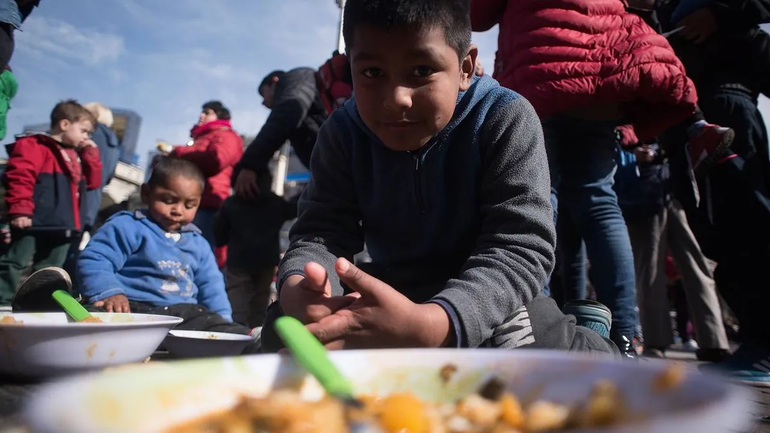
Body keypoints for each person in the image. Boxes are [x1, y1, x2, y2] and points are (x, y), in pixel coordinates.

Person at [259, 0, 618, 355]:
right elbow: (320, 234)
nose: (397, 98)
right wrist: (304, 285)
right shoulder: (341, 133)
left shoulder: (504, 117)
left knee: (530, 343)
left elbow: (520, 246)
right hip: (397, 287)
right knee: (281, 331)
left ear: (465, 67)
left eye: (421, 70)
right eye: (372, 73)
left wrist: (438, 323)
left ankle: (592, 339)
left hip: (485, 292)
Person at [76, 157, 257, 342]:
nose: (178, 210)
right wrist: (109, 291)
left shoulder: (199, 244)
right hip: (134, 309)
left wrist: (222, 319)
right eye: (168, 200)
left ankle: (251, 339)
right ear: (146, 193)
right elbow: (96, 258)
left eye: (189, 205)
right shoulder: (127, 226)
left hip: (183, 315)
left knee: (216, 325)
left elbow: (212, 286)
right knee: (91, 315)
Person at [0, 100, 101, 306]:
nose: (86, 137)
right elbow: (20, 177)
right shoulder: (34, 145)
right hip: (32, 219)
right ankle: (3, 302)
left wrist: (91, 154)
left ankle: (39, 306)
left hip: (63, 223)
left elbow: (93, 182)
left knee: (50, 270)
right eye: (83, 131)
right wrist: (20, 209)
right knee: (15, 262)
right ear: (64, 124)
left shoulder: (77, 156)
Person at [213, 167, 298, 328]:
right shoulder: (274, 203)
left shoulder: (231, 204)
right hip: (266, 262)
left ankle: (236, 331)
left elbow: (219, 235)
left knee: (237, 303)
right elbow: (292, 208)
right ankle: (256, 332)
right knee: (260, 303)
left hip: (238, 263)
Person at [234, 68, 328, 198]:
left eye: (263, 93)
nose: (263, 102)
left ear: (274, 81)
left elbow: (287, 113)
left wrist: (250, 164)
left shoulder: (298, 79)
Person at [166, 101, 243, 253]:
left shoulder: (226, 135)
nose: (201, 115)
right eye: (202, 112)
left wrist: (177, 152)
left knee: (198, 253)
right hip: (189, 202)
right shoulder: (201, 138)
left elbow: (215, 161)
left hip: (208, 204)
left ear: (220, 116)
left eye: (208, 112)